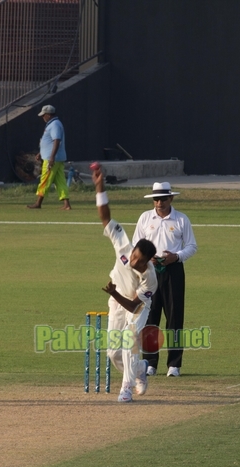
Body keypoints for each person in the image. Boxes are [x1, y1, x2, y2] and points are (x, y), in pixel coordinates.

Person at [92, 166, 158, 402]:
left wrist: (114, 292)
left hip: (137, 306)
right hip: (117, 299)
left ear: (148, 261)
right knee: (113, 353)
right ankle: (141, 369)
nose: (133, 262)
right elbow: (105, 217)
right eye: (133, 257)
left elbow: (133, 306)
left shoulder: (150, 278)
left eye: (139, 261)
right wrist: (100, 187)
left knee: (130, 341)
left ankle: (126, 388)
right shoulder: (124, 246)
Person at [132, 182, 198, 377]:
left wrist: (175, 256)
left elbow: (192, 246)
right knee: (150, 318)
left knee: (175, 318)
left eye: (163, 198)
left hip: (174, 271)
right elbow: (136, 245)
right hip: (150, 272)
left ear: (171, 198)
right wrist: (145, 258)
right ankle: (150, 363)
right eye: (156, 199)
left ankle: (174, 365)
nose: (159, 202)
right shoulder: (145, 218)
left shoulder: (181, 219)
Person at [27, 105, 71, 210]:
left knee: (45, 179)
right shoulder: (53, 124)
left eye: (43, 115)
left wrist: (51, 157)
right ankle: (66, 204)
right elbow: (49, 142)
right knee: (60, 181)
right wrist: (40, 152)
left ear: (48, 115)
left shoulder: (55, 124)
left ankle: (38, 203)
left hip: (52, 159)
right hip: (57, 158)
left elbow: (56, 140)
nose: (43, 117)